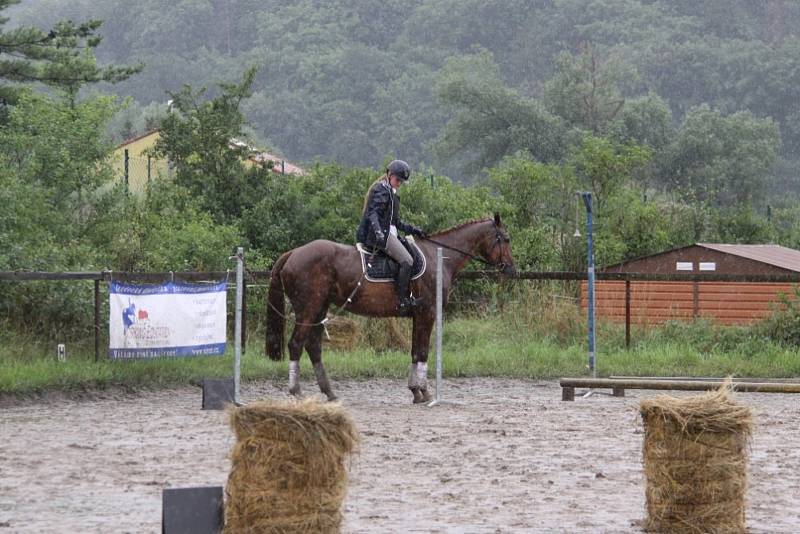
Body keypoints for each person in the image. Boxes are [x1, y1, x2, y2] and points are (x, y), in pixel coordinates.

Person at [356, 159, 427, 314]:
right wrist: (378, 232)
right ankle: (402, 301)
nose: (399, 183)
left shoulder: (391, 193)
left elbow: (395, 222)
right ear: (389, 175)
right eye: (397, 180)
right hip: (378, 236)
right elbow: (373, 214)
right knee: (407, 261)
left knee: (410, 250)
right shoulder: (382, 189)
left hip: (388, 233)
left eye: (401, 182)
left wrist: (414, 230)